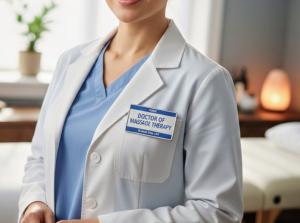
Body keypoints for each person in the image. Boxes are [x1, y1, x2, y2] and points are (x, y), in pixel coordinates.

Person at [18, 0, 243, 223]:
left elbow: (217, 212)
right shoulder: (70, 62)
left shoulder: (205, 81)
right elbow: (40, 158)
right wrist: (34, 203)